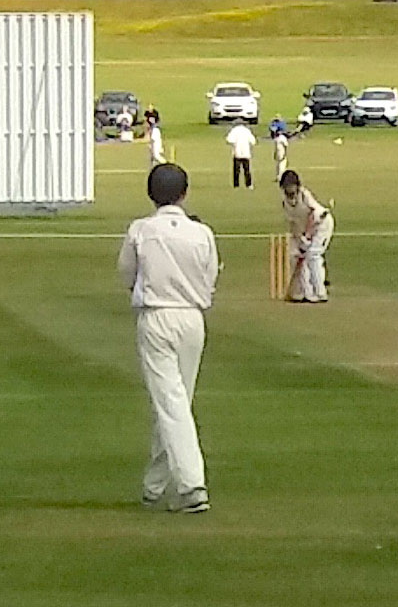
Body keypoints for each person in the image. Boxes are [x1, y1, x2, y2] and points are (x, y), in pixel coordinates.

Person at [117, 163, 219, 514]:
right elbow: (208, 281)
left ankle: (192, 487)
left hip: (157, 317)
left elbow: (127, 274)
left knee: (172, 403)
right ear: (185, 193)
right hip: (193, 320)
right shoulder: (202, 233)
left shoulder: (141, 230)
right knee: (176, 402)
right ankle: (154, 486)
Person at [280, 170, 334, 303]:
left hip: (321, 225)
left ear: (297, 185)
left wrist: (307, 237)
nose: (290, 189)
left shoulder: (304, 195)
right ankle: (304, 292)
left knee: (313, 255)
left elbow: (312, 215)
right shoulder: (285, 202)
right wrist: (299, 241)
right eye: (287, 186)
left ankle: (320, 293)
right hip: (305, 230)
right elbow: (293, 224)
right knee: (298, 256)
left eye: (292, 185)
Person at [226, 119, 256, 189]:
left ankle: (236, 185)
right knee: (247, 170)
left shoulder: (234, 130)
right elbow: (253, 141)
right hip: (246, 153)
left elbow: (229, 140)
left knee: (236, 170)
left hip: (237, 153)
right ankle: (249, 184)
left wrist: (234, 144)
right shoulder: (247, 131)